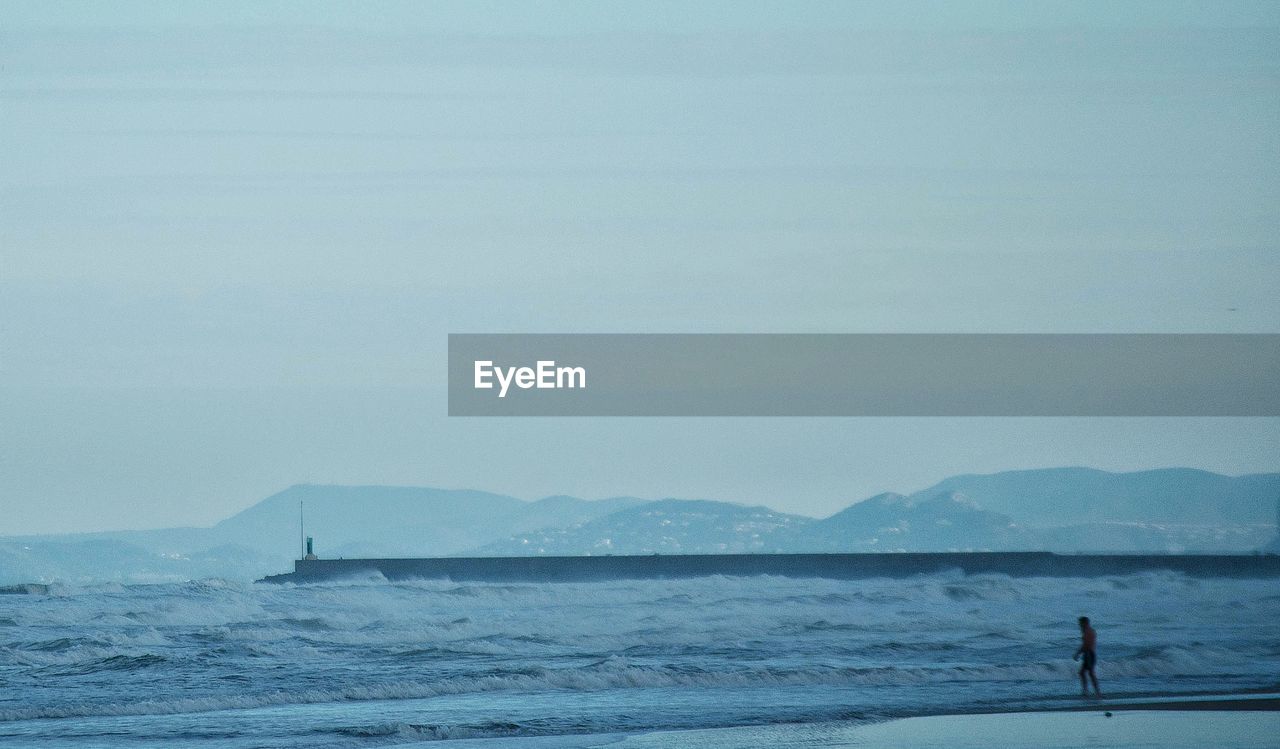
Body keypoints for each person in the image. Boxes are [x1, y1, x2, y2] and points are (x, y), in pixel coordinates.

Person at [1073, 616, 1101, 697]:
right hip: (1089, 654)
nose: (1079, 625)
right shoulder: (1089, 631)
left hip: (1089, 654)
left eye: (1080, 623)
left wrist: (1077, 653)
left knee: (1090, 673)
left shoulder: (1087, 631)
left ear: (1084, 623)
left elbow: (1086, 645)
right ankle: (1086, 691)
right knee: (1082, 673)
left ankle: (1096, 692)